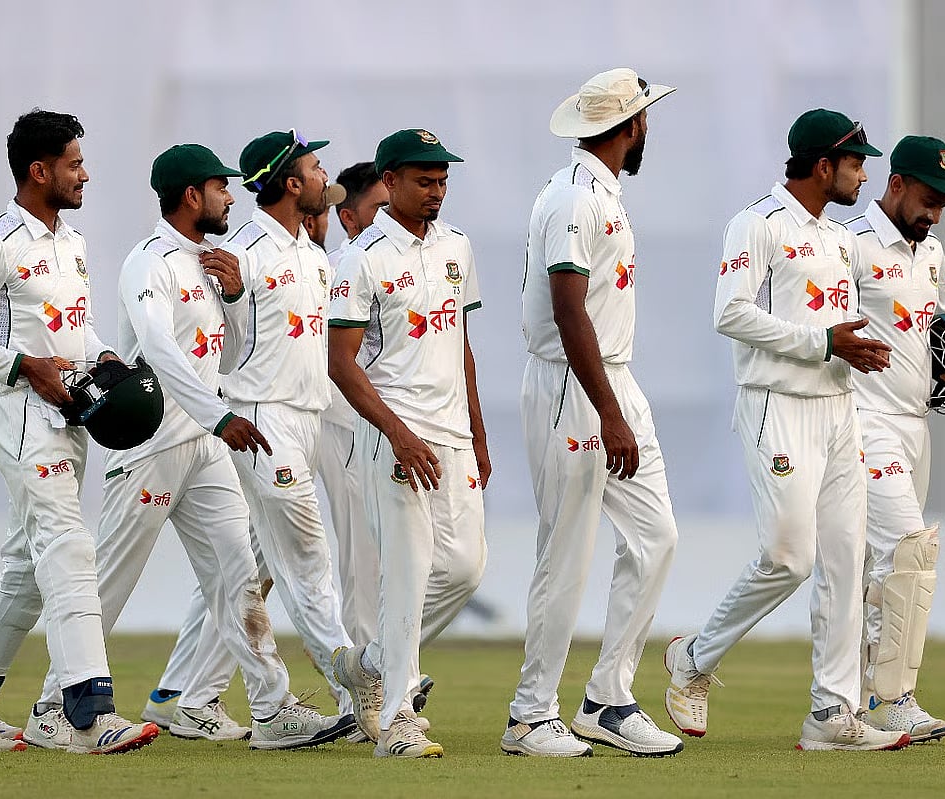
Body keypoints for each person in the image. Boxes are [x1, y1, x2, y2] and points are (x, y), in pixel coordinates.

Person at [29, 144, 354, 751]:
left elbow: (226, 352)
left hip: (206, 447)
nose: (231, 197)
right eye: (220, 188)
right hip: (154, 444)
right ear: (189, 196)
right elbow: (160, 351)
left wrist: (233, 301)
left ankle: (272, 708)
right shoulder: (147, 262)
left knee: (238, 579)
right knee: (108, 585)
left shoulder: (208, 262)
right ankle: (53, 706)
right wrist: (219, 414)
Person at [663, 109, 910, 752]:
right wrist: (821, 342)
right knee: (789, 558)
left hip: (837, 409)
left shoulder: (836, 238)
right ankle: (692, 658)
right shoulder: (758, 224)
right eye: (857, 163)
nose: (864, 175)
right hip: (776, 405)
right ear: (823, 165)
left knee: (843, 560)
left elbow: (846, 327)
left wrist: (863, 349)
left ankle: (832, 714)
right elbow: (730, 313)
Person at [0, 109, 156, 754]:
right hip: (21, 413)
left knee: (28, 569)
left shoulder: (69, 242)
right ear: (39, 170)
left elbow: (70, 329)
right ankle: (86, 713)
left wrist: (103, 355)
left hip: (72, 411)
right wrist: (21, 365)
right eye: (75, 164)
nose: (86, 175)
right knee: (67, 544)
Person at [503, 68, 684, 759]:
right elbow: (566, 308)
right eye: (645, 120)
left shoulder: (601, 192)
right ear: (630, 126)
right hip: (571, 388)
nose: (647, 132)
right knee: (567, 552)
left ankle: (608, 697)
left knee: (656, 536)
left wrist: (616, 400)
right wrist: (608, 411)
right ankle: (528, 715)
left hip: (611, 381)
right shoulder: (573, 198)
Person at [329, 129, 488, 758]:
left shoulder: (457, 246)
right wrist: (397, 433)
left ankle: (371, 661)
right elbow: (342, 364)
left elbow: (461, 345)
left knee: (466, 569)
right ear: (389, 183)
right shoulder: (360, 258)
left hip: (451, 436)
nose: (437, 191)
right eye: (424, 180)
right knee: (408, 574)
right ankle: (397, 721)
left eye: (443, 179)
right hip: (395, 435)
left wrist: (476, 431)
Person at [845, 136, 945, 742]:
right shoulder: (851, 245)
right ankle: (895, 698)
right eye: (929, 198)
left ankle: (846, 702)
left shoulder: (932, 253)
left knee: (871, 567)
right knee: (909, 552)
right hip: (863, 420)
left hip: (915, 424)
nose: (935, 213)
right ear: (897, 183)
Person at [213, 130, 355, 717]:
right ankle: (357, 674)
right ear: (292, 183)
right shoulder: (241, 252)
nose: (327, 177)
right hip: (260, 418)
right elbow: (213, 343)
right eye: (317, 168)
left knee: (253, 570)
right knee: (309, 556)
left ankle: (192, 696)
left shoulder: (311, 253)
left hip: (307, 415)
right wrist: (235, 296)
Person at [320, 162, 387, 648]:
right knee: (361, 549)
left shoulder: (396, 262)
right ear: (348, 218)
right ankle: (368, 673)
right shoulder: (343, 267)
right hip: (336, 418)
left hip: (352, 419)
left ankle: (188, 687)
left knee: (259, 557)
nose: (389, 217)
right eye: (379, 208)